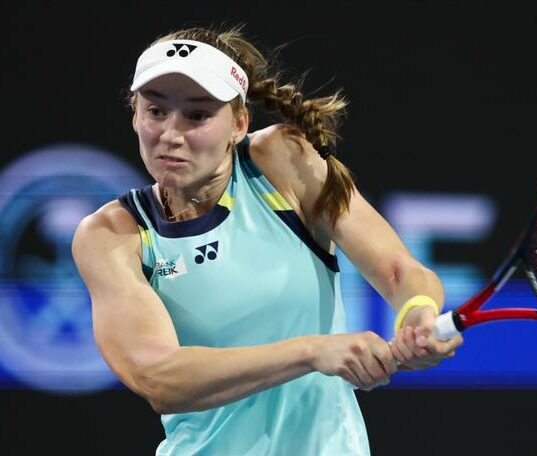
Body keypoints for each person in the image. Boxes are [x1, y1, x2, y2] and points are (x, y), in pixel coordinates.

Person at [71, 24, 463, 455]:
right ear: (135, 114)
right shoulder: (111, 234)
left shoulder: (281, 160)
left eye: (198, 115)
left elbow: (400, 270)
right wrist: (312, 351)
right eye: (155, 111)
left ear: (239, 123)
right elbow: (160, 378)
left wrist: (418, 312)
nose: (170, 135)